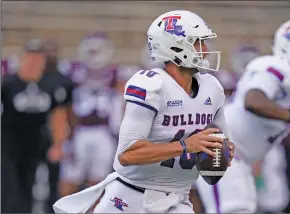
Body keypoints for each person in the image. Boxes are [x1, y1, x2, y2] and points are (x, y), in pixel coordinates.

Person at [53, 10, 235, 213]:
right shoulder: (151, 85)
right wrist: (185, 146)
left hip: (177, 199)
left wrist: (223, 152)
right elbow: (127, 153)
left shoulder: (212, 87)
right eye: (198, 42)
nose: (206, 49)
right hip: (131, 198)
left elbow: (221, 141)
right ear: (174, 46)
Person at [194, 19, 290, 213]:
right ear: (288, 50)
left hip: (242, 157)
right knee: (231, 210)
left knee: (245, 209)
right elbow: (253, 100)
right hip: (221, 149)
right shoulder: (273, 67)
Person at [1, 38, 73, 213]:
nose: (34, 61)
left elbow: (59, 116)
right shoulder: (9, 83)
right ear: (24, 57)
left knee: (38, 190)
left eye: (38, 56)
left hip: (38, 145)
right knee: (10, 192)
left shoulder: (52, 83)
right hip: (10, 146)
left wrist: (58, 145)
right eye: (31, 56)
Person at [57, 31, 127, 197]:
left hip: (104, 132)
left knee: (98, 180)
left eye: (99, 50)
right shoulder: (71, 70)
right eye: (92, 50)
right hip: (78, 131)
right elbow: (63, 102)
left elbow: (124, 99)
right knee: (70, 178)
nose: (95, 54)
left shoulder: (116, 73)